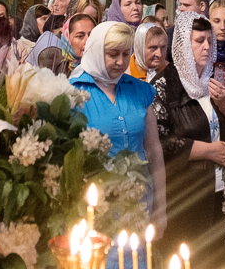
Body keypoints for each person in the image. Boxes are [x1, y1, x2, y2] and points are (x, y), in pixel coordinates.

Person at [153, 13, 225, 267]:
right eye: (199, 41)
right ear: (183, 44)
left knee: (221, 259)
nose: (207, 47)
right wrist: (208, 151)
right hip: (186, 191)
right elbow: (159, 141)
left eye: (210, 40)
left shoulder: (217, 80)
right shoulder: (165, 85)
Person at [70, 23, 167, 267]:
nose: (121, 62)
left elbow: (154, 150)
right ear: (95, 51)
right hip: (96, 206)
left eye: (126, 54)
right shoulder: (74, 92)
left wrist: (161, 207)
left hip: (138, 200)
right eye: (113, 54)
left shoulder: (139, 90)